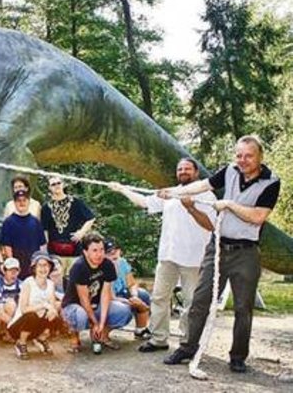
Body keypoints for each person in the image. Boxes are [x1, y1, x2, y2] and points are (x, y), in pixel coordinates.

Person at [160, 136, 280, 373]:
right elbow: (202, 185)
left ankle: (237, 357)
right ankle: (187, 347)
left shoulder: (271, 182)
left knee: (243, 308)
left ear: (259, 157)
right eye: (238, 155)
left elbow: (257, 217)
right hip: (217, 249)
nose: (242, 160)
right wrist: (173, 192)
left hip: (246, 252)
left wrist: (229, 205)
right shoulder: (229, 171)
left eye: (248, 156)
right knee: (200, 299)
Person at [108, 157, 216, 353]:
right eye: (180, 169)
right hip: (167, 257)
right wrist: (122, 189)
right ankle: (159, 339)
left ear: (196, 173)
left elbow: (211, 225)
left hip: (193, 259)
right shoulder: (170, 193)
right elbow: (143, 202)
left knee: (191, 302)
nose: (183, 171)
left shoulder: (207, 196)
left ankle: (188, 343)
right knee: (159, 298)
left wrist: (190, 206)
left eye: (187, 169)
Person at [61, 233, 132, 354]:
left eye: (101, 250)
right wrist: (94, 322)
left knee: (124, 311)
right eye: (94, 250)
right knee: (80, 315)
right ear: (85, 252)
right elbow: (83, 299)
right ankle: (74, 336)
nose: (99, 254)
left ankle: (101, 334)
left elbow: (105, 295)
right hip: (75, 306)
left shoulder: (107, 265)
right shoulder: (79, 267)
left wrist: (101, 324)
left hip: (96, 305)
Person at [8, 251, 61, 360]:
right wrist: (43, 305)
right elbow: (24, 309)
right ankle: (21, 343)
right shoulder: (28, 283)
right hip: (19, 326)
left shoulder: (50, 284)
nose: (43, 268)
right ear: (34, 268)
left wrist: (52, 310)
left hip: (38, 323)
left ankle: (41, 338)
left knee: (55, 317)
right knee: (31, 316)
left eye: (46, 265)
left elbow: (51, 305)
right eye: (40, 265)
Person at [41, 176, 95, 275]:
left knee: (75, 280)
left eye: (58, 183)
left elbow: (90, 218)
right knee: (57, 283)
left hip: (74, 250)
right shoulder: (46, 207)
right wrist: (45, 252)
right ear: (49, 188)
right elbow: (45, 230)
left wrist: (81, 233)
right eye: (53, 184)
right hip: (55, 252)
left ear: (63, 184)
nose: (57, 186)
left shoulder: (75, 202)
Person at [104, 239, 151, 339]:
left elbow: (132, 283)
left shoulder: (122, 262)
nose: (113, 254)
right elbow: (109, 296)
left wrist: (134, 296)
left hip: (122, 293)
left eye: (115, 250)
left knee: (143, 295)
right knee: (124, 309)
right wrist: (129, 302)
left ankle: (140, 330)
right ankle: (102, 335)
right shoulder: (103, 267)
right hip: (109, 297)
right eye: (109, 252)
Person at [0, 189, 47, 279]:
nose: (22, 203)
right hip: (17, 266)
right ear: (14, 203)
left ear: (29, 202)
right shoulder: (8, 222)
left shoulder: (35, 221)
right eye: (19, 201)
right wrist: (13, 265)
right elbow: (7, 246)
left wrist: (41, 262)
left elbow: (42, 244)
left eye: (24, 200)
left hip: (34, 264)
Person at [0, 258, 23, 341]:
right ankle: (6, 331)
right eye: (10, 270)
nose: (13, 274)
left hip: (13, 315)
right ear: (4, 271)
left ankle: (9, 333)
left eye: (16, 271)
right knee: (10, 304)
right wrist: (15, 326)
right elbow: (0, 310)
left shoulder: (21, 284)